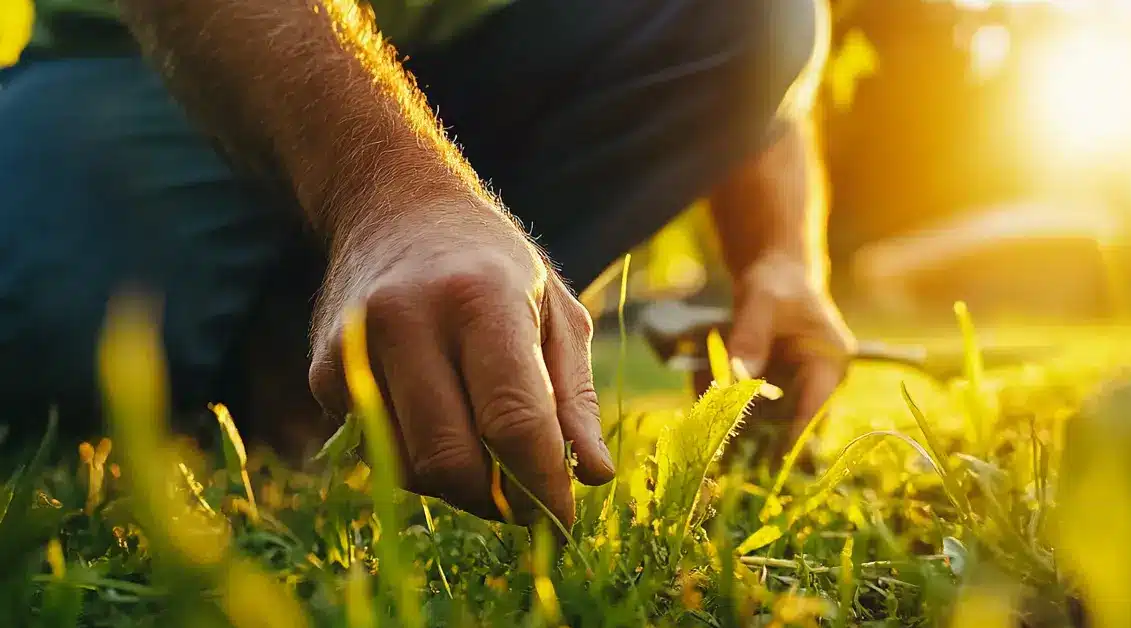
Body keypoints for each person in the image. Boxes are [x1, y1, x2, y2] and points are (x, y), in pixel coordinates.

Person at [0, 0, 856, 523]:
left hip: (470, 56)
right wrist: (392, 195)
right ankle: (279, 335)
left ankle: (315, 367)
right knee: (55, 349)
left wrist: (780, 256)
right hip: (140, 58)